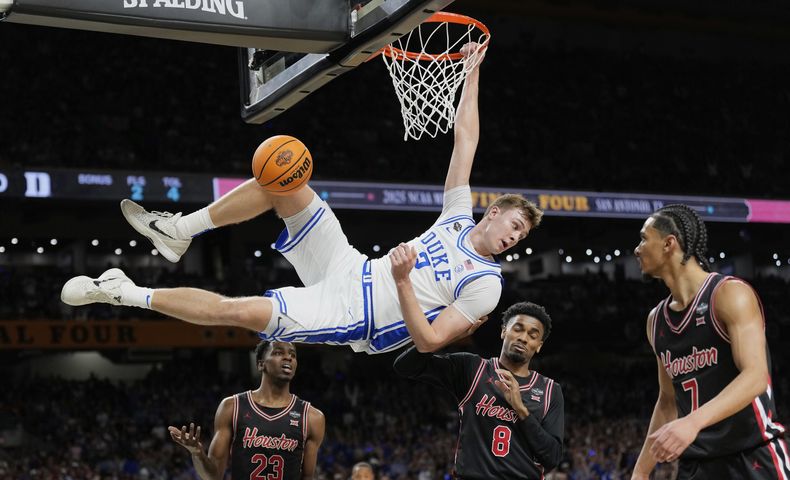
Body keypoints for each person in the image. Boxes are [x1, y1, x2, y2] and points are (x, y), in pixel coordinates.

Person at [60, 44, 542, 355]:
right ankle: (177, 232)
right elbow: (466, 141)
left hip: (357, 315)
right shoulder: (459, 217)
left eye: (520, 237)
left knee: (236, 311)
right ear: (493, 211)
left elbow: (431, 340)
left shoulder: (487, 285)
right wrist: (471, 76)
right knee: (286, 173)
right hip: (352, 265)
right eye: (514, 226)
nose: (513, 239)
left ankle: (121, 291)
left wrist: (400, 282)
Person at [624, 204, 790, 480]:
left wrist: (693, 422)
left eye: (644, 239)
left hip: (752, 457)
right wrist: (641, 471)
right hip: (698, 471)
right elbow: (668, 400)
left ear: (669, 243)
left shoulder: (729, 294)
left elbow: (756, 376)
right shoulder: (655, 321)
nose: (637, 248)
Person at [394, 301, 564, 480]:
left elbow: (551, 457)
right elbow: (405, 366)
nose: (524, 338)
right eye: (518, 328)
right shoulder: (472, 369)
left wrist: (521, 409)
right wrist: (445, 337)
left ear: (539, 345)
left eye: (533, 335)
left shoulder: (550, 390)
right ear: (504, 331)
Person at [169, 341, 357, 480]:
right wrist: (197, 453)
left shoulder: (312, 417)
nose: (287, 357)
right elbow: (213, 479)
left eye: (292, 354)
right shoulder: (232, 407)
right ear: (260, 364)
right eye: (278, 352)